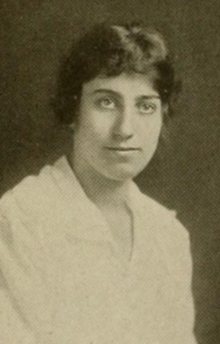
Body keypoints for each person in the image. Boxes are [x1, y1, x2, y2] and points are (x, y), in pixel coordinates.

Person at [0, 22, 196, 343]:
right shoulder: (21, 219)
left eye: (145, 106)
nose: (125, 129)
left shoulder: (168, 236)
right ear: (73, 110)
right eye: (106, 102)